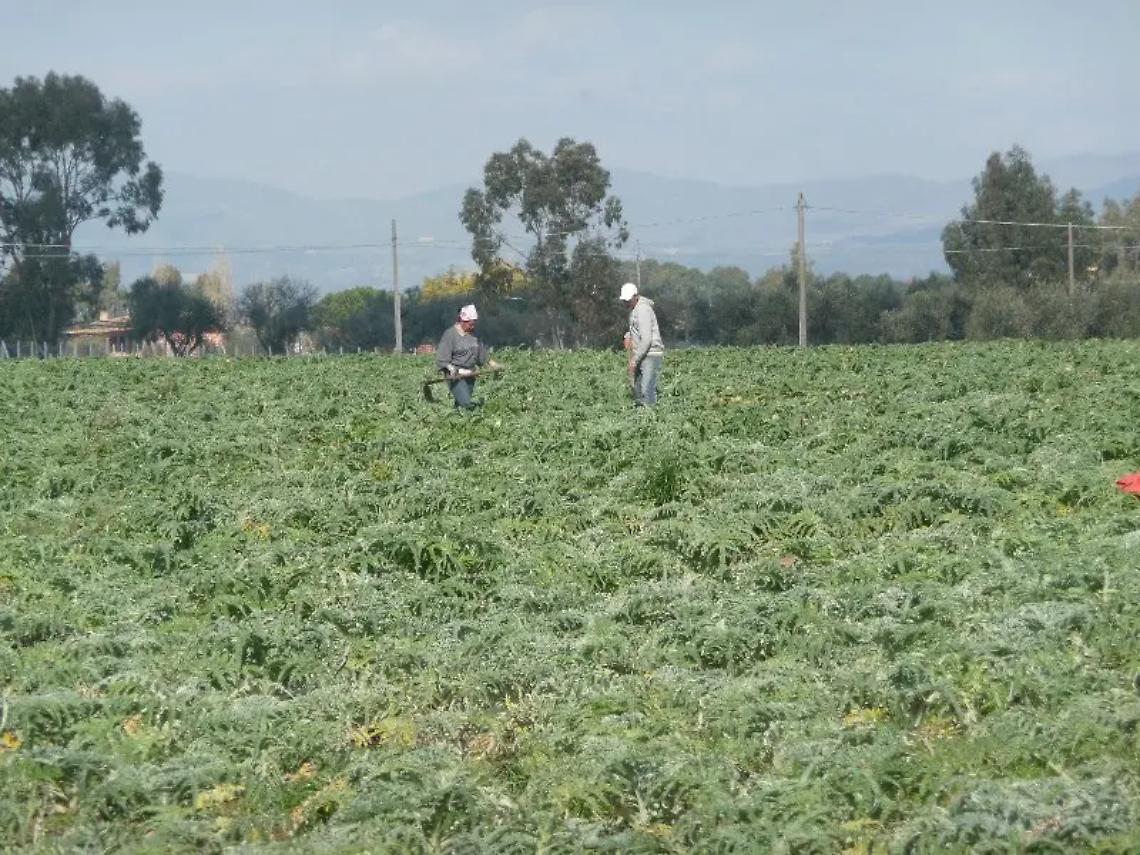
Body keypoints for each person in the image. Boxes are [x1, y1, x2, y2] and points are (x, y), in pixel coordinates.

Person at [436, 304, 499, 409]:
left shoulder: (474, 336)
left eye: (473, 324)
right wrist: (451, 369)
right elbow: (442, 359)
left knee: (460, 406)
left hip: (470, 375)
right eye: (470, 324)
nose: (472, 327)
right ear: (462, 321)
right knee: (466, 403)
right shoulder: (450, 335)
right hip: (455, 377)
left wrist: (493, 364)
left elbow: (482, 354)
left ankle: (454, 418)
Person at [619, 282, 664, 406]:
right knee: (638, 389)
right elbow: (637, 330)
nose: (626, 303)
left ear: (635, 296)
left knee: (646, 390)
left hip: (650, 354)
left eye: (628, 300)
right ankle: (640, 414)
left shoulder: (643, 310)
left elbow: (646, 339)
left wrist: (635, 359)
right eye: (624, 301)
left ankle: (650, 414)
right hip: (642, 353)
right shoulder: (635, 309)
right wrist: (628, 336)